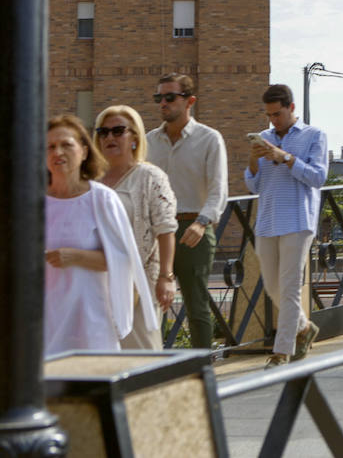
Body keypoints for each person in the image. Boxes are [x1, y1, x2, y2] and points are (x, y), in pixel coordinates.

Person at [45, 115, 156, 356]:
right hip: (44, 319)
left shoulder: (101, 199)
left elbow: (123, 260)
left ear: (84, 151)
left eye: (66, 145)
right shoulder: (31, 203)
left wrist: (76, 256)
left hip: (91, 319)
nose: (58, 152)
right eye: (50, 147)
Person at [245, 84, 328, 368]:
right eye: (269, 115)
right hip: (267, 220)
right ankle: (303, 328)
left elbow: (319, 177)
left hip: (297, 219)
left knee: (290, 287)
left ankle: (282, 352)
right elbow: (253, 184)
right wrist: (253, 160)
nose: (273, 121)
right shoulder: (265, 138)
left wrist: (287, 158)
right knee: (272, 286)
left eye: (278, 114)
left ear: (291, 108)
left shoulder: (314, 135)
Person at [144, 73, 227, 351]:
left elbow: (218, 189)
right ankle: (154, 367)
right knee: (153, 303)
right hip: (155, 233)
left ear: (189, 101)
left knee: (196, 305)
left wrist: (202, 223)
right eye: (159, 98)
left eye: (170, 97)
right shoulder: (149, 141)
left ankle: (203, 368)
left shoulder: (209, 139)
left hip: (194, 229)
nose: (163, 103)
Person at [95, 105, 177, 349]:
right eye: (103, 132)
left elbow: (166, 228)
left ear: (134, 138)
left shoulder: (150, 177)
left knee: (143, 356)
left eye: (118, 131)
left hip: (139, 282)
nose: (110, 137)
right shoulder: (88, 179)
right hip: (96, 281)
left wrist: (166, 276)